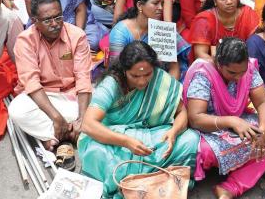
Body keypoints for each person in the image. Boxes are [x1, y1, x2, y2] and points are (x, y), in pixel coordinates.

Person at [80, 41, 199, 198]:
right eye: (135, 76)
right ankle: (149, 177)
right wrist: (126, 142)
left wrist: (174, 132)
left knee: (190, 140)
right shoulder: (111, 84)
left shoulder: (159, 78)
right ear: (124, 70)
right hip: (116, 143)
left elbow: (182, 112)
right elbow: (88, 125)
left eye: (147, 74)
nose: (142, 81)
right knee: (96, 153)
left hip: (151, 138)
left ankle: (140, 179)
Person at [183, 37, 265, 199]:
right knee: (205, 152)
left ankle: (230, 187)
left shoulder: (248, 69)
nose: (238, 77)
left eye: (242, 72)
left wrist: (263, 132)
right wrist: (231, 121)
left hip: (239, 121)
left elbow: (262, 101)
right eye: (232, 72)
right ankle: (253, 165)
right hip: (208, 129)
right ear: (218, 63)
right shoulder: (203, 73)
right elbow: (196, 119)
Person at [8, 0, 92, 166]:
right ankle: (69, 132)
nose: (54, 24)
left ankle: (55, 136)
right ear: (35, 21)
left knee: (102, 105)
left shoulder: (77, 35)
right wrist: (56, 117)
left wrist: (82, 118)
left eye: (58, 17)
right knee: (17, 110)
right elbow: (31, 84)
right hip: (43, 98)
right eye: (47, 20)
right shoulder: (25, 41)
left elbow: (83, 78)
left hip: (71, 96)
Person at [190, 0, 259, 61]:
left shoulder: (248, 14)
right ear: (215, 1)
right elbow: (200, 55)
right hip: (212, 67)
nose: (229, 2)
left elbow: (255, 47)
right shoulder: (204, 20)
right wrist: (224, 68)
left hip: (243, 65)